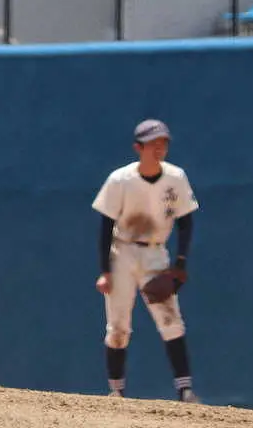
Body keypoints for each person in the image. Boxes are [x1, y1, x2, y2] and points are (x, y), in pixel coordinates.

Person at [91, 119, 201, 403]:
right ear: (138, 147)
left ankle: (185, 389)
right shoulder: (120, 180)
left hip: (155, 252)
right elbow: (106, 226)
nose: (159, 148)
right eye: (153, 144)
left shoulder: (175, 177)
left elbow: (185, 222)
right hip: (123, 253)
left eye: (163, 143)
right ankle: (116, 391)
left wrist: (179, 264)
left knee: (170, 320)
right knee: (118, 328)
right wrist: (106, 271)